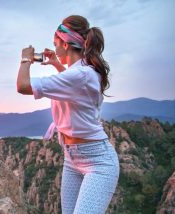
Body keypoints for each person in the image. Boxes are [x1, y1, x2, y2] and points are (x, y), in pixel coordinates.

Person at [16, 15, 119, 214]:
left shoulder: (81, 74)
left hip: (98, 162)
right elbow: (72, 85)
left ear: (65, 43)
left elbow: (22, 86)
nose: (54, 49)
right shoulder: (81, 72)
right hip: (72, 159)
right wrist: (56, 63)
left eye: (56, 44)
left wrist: (26, 58)